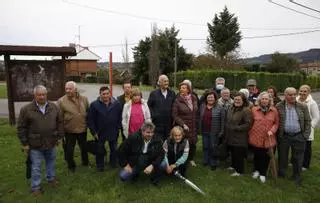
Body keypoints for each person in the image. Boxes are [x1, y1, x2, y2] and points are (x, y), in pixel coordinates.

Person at [17, 85, 63, 197]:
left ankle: (51, 179)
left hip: (51, 141)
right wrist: (25, 143)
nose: (41, 97)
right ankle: (35, 188)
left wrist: (59, 137)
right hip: (35, 144)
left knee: (51, 162)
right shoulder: (26, 109)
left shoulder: (54, 107)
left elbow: (60, 122)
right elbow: (21, 127)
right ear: (35, 95)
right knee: (36, 166)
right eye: (39, 95)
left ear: (46, 95)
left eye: (43, 94)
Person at [276, 87, 311, 186]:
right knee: (282, 157)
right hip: (284, 136)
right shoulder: (279, 106)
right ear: (285, 95)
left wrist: (305, 136)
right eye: (290, 95)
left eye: (294, 94)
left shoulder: (302, 106)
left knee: (298, 158)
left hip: (299, 136)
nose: (293, 96)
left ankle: (297, 176)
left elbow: (308, 121)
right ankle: (281, 174)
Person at [87, 86, 122, 170]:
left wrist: (118, 128)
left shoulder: (116, 104)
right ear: (100, 94)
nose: (105, 96)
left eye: (107, 93)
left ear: (110, 94)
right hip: (100, 132)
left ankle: (113, 163)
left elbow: (120, 117)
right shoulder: (94, 105)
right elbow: (90, 120)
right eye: (103, 94)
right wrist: (94, 132)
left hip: (113, 131)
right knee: (99, 149)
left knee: (113, 148)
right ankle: (100, 165)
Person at [57, 81, 89, 173]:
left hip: (82, 128)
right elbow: (59, 118)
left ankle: (85, 163)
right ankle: (71, 166)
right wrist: (61, 132)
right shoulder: (61, 101)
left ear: (75, 89)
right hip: (69, 130)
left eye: (70, 89)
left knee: (84, 147)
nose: (68, 91)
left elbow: (87, 111)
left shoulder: (84, 99)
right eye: (66, 89)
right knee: (69, 149)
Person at [249, 92, 279, 183]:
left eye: (266, 99)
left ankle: (263, 173)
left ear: (269, 100)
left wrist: (272, 130)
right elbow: (250, 122)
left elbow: (276, 123)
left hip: (268, 138)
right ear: (259, 100)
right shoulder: (254, 109)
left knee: (266, 157)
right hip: (256, 137)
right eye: (262, 99)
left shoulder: (274, 111)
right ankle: (256, 170)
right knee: (257, 155)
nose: (264, 100)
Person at [225, 92, 252, 176]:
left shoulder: (246, 110)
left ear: (243, 100)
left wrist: (237, 128)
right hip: (231, 135)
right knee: (233, 152)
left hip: (240, 137)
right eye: (235, 99)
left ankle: (240, 171)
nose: (236, 101)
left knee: (238, 154)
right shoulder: (231, 108)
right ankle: (233, 166)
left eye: (239, 100)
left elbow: (248, 124)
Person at [172, 82, 199, 167]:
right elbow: (174, 115)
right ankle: (182, 160)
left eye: (184, 88)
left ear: (188, 90)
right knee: (183, 143)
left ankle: (191, 159)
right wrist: (183, 124)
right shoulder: (177, 100)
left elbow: (196, 111)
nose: (181, 89)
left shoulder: (194, 98)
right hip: (184, 126)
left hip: (193, 125)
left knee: (193, 143)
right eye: (181, 88)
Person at [199, 90, 225, 170]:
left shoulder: (220, 107)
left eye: (212, 97)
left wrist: (222, 131)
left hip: (214, 132)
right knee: (205, 146)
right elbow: (200, 117)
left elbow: (223, 120)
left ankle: (213, 162)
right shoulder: (203, 106)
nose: (210, 99)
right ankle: (206, 160)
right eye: (208, 97)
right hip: (204, 130)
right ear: (206, 98)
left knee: (213, 147)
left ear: (215, 98)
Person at [296, 85, 319, 171]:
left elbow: (316, 117)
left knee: (306, 147)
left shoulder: (312, 103)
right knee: (296, 146)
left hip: (307, 129)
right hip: (297, 127)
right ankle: (295, 161)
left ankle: (305, 164)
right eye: (301, 91)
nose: (302, 93)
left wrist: (310, 127)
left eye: (305, 91)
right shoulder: (296, 100)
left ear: (308, 92)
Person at [148, 75, 176, 140]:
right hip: (157, 125)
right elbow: (149, 107)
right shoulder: (153, 94)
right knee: (158, 143)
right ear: (159, 83)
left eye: (167, 81)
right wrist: (154, 116)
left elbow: (174, 107)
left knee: (168, 143)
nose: (166, 83)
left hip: (169, 124)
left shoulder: (172, 93)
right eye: (164, 81)